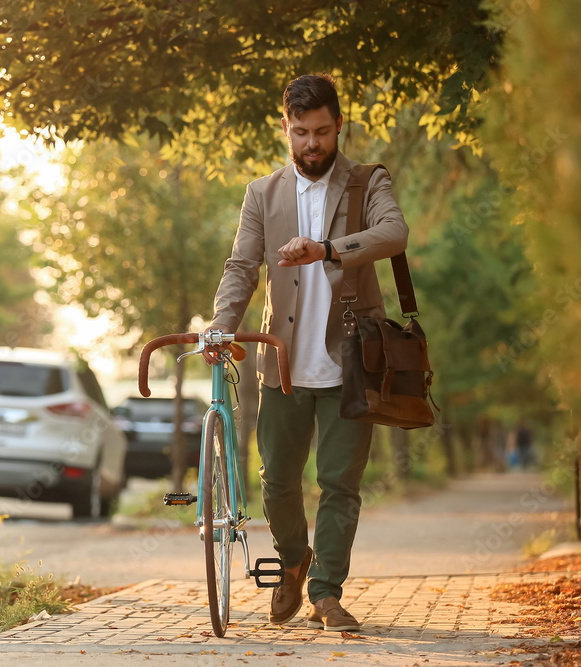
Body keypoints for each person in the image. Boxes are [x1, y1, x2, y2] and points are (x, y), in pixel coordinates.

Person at [205, 74, 408, 631]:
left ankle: (326, 593)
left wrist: (326, 250)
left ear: (339, 125)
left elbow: (394, 233)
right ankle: (294, 560)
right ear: (286, 130)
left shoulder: (368, 183)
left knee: (340, 482)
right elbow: (243, 267)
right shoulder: (262, 194)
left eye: (321, 131)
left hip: (352, 365)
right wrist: (222, 325)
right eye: (301, 133)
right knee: (277, 479)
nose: (312, 144)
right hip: (284, 364)